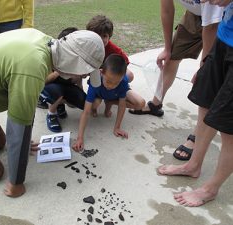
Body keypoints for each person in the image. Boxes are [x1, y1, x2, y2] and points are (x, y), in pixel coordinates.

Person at [0, 29, 104, 197]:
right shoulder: (32, 67)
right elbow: (19, 126)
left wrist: (20, 144)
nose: (82, 77)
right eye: (84, 72)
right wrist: (16, 182)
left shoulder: (42, 40)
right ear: (74, 61)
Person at [158, 0, 233, 207]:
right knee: (205, 102)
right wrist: (204, 63)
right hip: (224, 38)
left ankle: (211, 189)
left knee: (229, 127)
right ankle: (193, 165)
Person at [130, 0, 223, 161]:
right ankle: (156, 103)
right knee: (171, 58)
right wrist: (167, 48)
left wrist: (204, 66)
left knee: (208, 79)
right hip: (194, 15)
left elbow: (211, 27)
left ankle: (197, 135)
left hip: (220, 19)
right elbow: (167, 9)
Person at [72, 54, 142, 151]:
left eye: (116, 82)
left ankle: (109, 102)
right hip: (99, 95)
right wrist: (80, 138)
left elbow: (122, 106)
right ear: (101, 73)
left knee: (137, 102)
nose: (112, 85)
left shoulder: (123, 82)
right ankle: (98, 107)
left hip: (113, 95)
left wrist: (117, 127)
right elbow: (86, 111)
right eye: (108, 81)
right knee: (95, 104)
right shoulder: (95, 82)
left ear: (122, 78)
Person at [86, 15, 145, 116]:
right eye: (97, 35)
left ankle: (112, 99)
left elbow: (125, 63)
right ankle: (91, 98)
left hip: (107, 79)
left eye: (104, 36)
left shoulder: (113, 49)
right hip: (96, 82)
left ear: (109, 36)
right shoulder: (86, 47)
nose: (100, 39)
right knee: (91, 105)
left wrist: (118, 81)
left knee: (129, 75)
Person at [40, 27, 88, 132]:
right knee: (56, 92)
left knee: (83, 102)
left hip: (66, 88)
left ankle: (60, 105)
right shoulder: (53, 58)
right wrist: (59, 72)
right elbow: (42, 82)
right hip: (50, 88)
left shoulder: (77, 61)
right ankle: (51, 113)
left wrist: (81, 93)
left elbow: (79, 81)